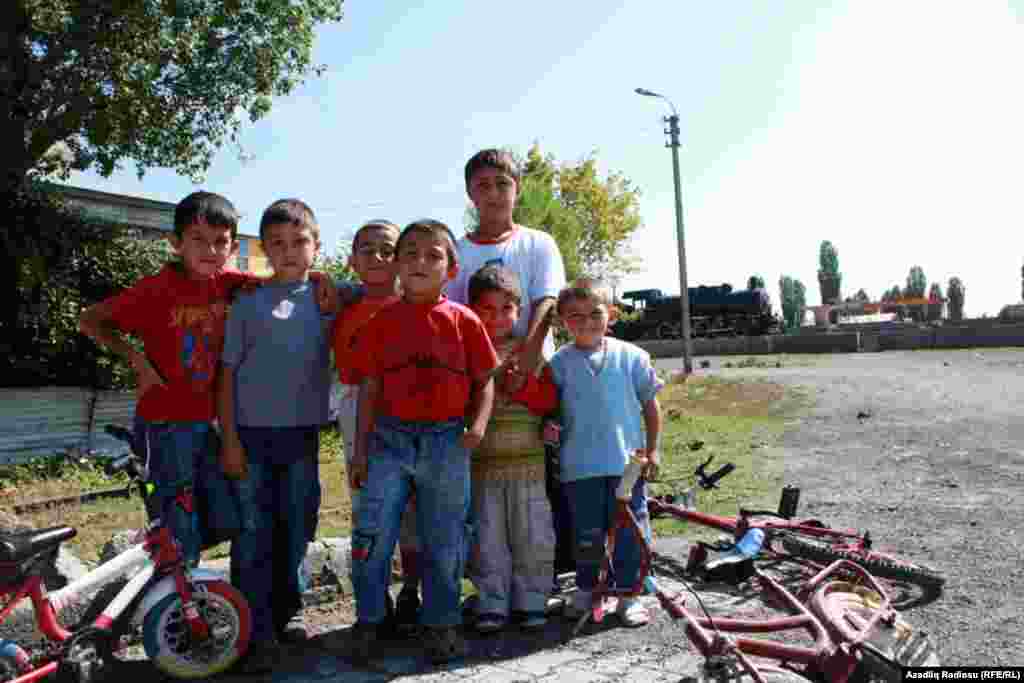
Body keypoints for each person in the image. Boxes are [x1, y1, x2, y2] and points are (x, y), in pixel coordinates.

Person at [78, 191, 270, 568]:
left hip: (207, 422)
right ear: (176, 243)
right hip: (163, 423)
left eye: (220, 242)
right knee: (177, 515)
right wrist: (137, 361)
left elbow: (279, 280)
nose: (210, 250)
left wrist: (312, 275)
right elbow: (90, 320)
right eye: (198, 239)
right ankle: (179, 604)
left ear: (232, 248)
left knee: (223, 512)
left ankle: (176, 566)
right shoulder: (155, 290)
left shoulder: (227, 283)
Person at [347, 219, 499, 664]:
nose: (420, 262)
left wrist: (478, 426)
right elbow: (368, 389)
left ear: (450, 269)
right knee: (372, 534)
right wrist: (359, 451)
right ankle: (371, 620)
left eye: (433, 255)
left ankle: (442, 622)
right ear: (396, 264)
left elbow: (485, 382)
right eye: (410, 253)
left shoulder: (464, 321)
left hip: (447, 440)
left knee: (445, 537)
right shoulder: (381, 322)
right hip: (388, 441)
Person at [446, 147, 573, 585]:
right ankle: (491, 584)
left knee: (545, 476)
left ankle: (553, 575)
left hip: (535, 374)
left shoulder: (538, 242)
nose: (494, 193)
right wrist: (486, 373)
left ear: (516, 189)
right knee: (488, 484)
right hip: (481, 379)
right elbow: (456, 313)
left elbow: (547, 300)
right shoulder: (458, 252)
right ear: (469, 194)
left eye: (503, 183)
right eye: (483, 185)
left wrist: (529, 354)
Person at [218, 198, 334, 672]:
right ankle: (253, 625)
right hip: (250, 437)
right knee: (252, 533)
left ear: (316, 246)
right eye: (277, 244)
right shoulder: (248, 304)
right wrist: (228, 440)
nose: (289, 251)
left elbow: (382, 284)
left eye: (299, 241)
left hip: (303, 438)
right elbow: (225, 376)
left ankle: (289, 612)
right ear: (264, 249)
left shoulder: (331, 299)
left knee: (297, 527)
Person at [548, 278, 663, 627]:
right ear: (561, 321)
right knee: (586, 535)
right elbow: (551, 413)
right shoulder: (558, 364)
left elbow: (651, 407)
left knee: (630, 532)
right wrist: (549, 429)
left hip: (626, 467)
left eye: (594, 313)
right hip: (579, 469)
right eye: (574, 316)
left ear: (610, 314)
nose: (585, 322)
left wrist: (654, 451)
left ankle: (629, 595)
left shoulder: (633, 357)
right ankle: (587, 589)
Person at [331, 219, 422, 633]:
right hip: (357, 413)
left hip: (409, 412)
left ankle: (413, 591)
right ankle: (373, 597)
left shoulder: (418, 303)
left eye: (387, 248)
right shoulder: (340, 307)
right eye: (366, 249)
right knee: (368, 510)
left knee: (413, 512)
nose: (378, 257)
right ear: (352, 260)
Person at [465, 264, 558, 633]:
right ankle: (492, 603)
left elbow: (550, 401)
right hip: (483, 466)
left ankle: (532, 601)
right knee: (487, 537)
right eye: (486, 309)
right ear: (472, 310)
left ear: (519, 311)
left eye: (506, 309)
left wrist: (519, 385)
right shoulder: (466, 352)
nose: (497, 318)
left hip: (529, 466)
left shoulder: (531, 354)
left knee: (532, 534)